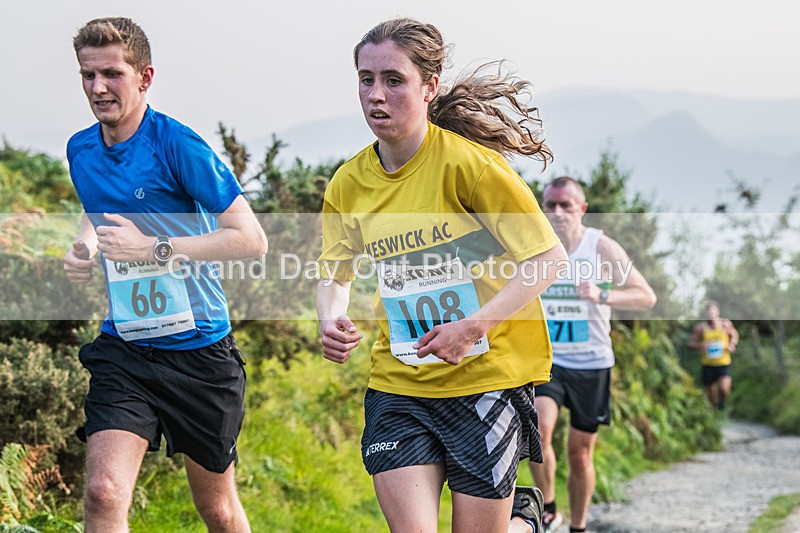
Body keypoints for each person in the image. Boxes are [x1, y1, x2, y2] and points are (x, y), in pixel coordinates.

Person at [316, 17, 569, 533]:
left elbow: (547, 260)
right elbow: (335, 272)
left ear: (429, 87)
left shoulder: (470, 168)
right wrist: (331, 318)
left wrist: (472, 327)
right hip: (399, 381)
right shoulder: (348, 183)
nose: (376, 95)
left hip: (484, 381)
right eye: (366, 80)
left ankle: (524, 521)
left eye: (393, 80)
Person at [62, 17, 267, 533]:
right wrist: (85, 247)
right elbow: (101, 211)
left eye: (112, 73)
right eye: (88, 75)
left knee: (217, 509)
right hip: (126, 347)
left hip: (199, 352)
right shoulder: (80, 149)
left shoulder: (177, 144)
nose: (98, 88)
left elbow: (250, 239)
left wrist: (152, 248)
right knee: (103, 492)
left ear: (145, 77)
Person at [528, 176, 657, 533]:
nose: (556, 212)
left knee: (579, 453)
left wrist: (602, 295)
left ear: (581, 209)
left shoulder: (601, 248)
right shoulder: (535, 247)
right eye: (549, 205)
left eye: (565, 205)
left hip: (592, 363)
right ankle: (550, 508)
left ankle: (579, 526)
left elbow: (645, 296)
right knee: (538, 429)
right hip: (548, 361)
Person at [688, 300, 739, 411]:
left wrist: (732, 344)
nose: (711, 314)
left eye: (713, 311)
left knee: (724, 388)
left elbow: (734, 335)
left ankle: (722, 402)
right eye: (708, 312)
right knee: (710, 392)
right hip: (708, 364)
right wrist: (700, 345)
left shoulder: (725, 324)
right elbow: (691, 344)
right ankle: (714, 412)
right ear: (705, 313)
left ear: (717, 312)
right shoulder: (700, 328)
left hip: (723, 363)